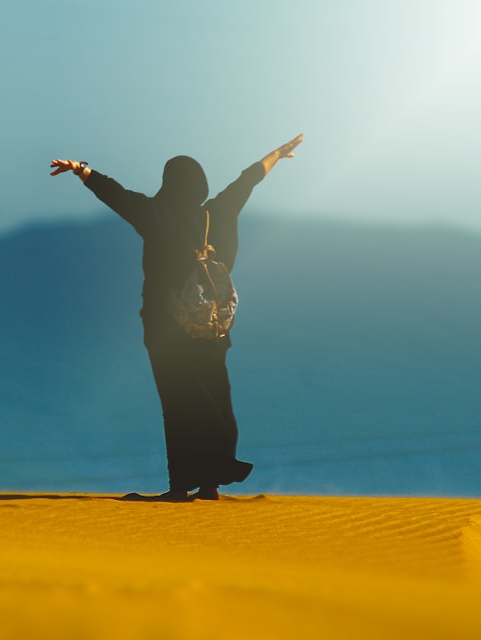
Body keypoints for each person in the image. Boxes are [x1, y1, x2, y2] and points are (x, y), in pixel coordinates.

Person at [50, 133, 304, 501]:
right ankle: (210, 483)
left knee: (178, 402)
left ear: (169, 182)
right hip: (213, 325)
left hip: (166, 327)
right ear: (198, 183)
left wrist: (81, 170)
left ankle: (179, 487)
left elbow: (116, 195)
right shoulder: (217, 211)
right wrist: (277, 155)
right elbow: (248, 180)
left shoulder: (156, 213)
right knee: (214, 396)